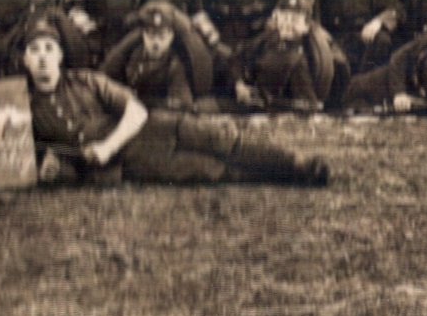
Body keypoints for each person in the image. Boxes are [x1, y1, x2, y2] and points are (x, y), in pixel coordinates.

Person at [25, 17, 329, 189]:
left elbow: (135, 111)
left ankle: (297, 163)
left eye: (48, 49)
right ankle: (291, 179)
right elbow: (29, 156)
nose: (42, 58)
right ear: (25, 59)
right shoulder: (23, 108)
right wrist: (52, 168)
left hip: (158, 127)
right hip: (135, 161)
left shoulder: (87, 80)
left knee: (224, 140)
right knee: (211, 171)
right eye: (34, 50)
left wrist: (107, 146)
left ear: (60, 55)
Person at [230, 0, 341, 112]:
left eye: (294, 19)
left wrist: (266, 100)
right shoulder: (269, 38)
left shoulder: (307, 54)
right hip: (250, 103)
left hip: (277, 113)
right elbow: (239, 57)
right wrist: (239, 84)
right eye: (284, 16)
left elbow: (309, 105)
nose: (287, 23)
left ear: (306, 25)